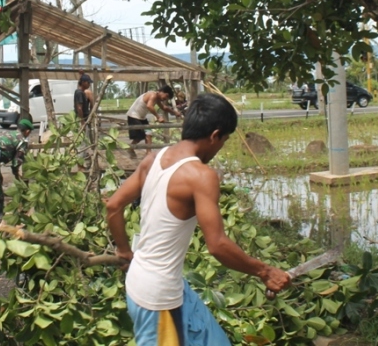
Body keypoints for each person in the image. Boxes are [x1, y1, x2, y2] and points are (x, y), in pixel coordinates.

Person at [106, 94, 290, 345]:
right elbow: (217, 245)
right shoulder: (201, 176)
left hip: (160, 282)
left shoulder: (153, 159)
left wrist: (125, 251)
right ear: (214, 136)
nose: (220, 146)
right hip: (157, 300)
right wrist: (265, 271)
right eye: (224, 140)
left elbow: (114, 206)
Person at [126, 85, 182, 157]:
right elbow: (149, 106)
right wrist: (158, 117)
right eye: (166, 96)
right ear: (162, 92)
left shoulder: (157, 98)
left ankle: (148, 153)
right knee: (139, 137)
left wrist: (175, 113)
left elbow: (164, 107)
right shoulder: (153, 95)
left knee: (149, 133)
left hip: (142, 117)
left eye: (167, 98)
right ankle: (130, 148)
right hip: (133, 116)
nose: (165, 98)